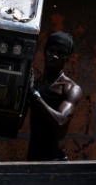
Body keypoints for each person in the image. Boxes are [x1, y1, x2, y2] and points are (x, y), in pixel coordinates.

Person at [26, 31, 82, 161]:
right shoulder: (35, 84)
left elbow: (61, 120)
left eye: (61, 53)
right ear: (45, 53)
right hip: (32, 158)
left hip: (55, 160)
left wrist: (34, 95)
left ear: (66, 59)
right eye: (52, 51)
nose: (54, 56)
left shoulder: (71, 88)